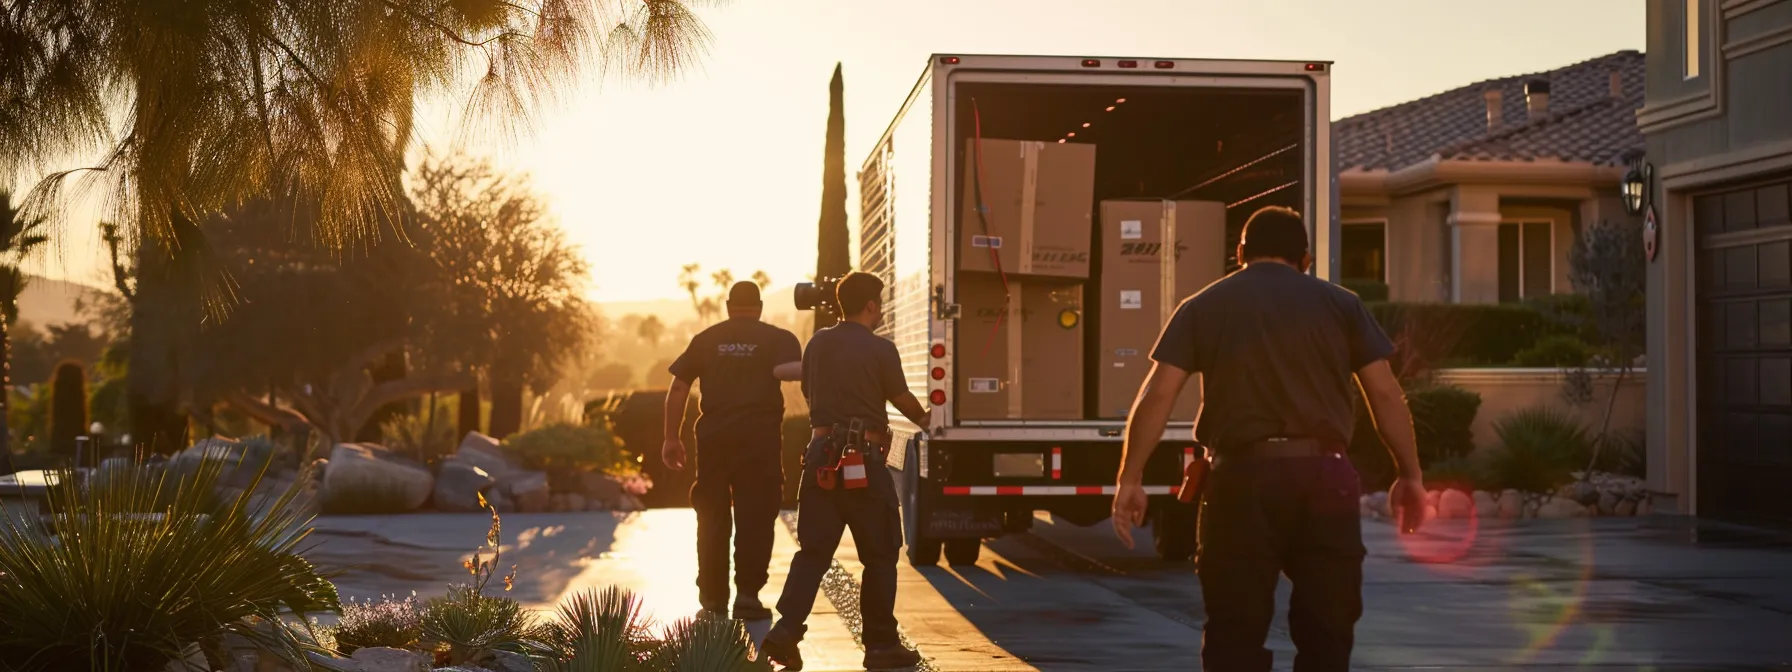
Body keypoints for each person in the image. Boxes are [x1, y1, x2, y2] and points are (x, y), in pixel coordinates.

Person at [1110, 206, 1427, 672]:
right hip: (1325, 478)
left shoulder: (1204, 305)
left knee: (1234, 632)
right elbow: (1384, 393)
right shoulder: (1342, 305)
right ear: (1306, 258)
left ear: (1240, 253)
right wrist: (1411, 475)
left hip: (1240, 480)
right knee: (1328, 632)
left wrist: (1130, 478)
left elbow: (1157, 395)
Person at [760, 272, 928, 672]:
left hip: (821, 458)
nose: (882, 309)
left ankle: (784, 634)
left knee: (814, 553)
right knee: (881, 553)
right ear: (871, 305)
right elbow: (901, 397)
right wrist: (929, 420)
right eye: (880, 303)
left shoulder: (817, 344)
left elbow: (809, 393)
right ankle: (882, 647)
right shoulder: (881, 350)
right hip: (864, 460)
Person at [663, 281, 804, 621]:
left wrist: (671, 437)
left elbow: (680, 386)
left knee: (711, 515)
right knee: (757, 515)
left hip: (714, 439)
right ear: (759, 306)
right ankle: (748, 597)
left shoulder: (706, 339)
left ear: (728, 306)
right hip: (760, 440)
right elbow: (796, 373)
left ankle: (712, 599)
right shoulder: (778, 338)